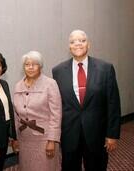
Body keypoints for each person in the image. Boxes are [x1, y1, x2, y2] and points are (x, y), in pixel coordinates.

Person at [52, 29, 121, 171]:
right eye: (73, 41)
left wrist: (112, 134)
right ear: (69, 46)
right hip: (69, 134)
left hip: (97, 134)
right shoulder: (57, 71)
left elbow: (113, 103)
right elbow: (57, 105)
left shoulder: (105, 68)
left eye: (82, 41)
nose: (78, 44)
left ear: (88, 44)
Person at [13, 51, 62, 171]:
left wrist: (52, 140)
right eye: (27, 64)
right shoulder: (18, 86)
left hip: (45, 138)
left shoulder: (50, 84)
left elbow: (56, 114)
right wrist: (16, 138)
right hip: (25, 138)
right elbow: (16, 115)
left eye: (34, 64)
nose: (30, 67)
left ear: (40, 66)